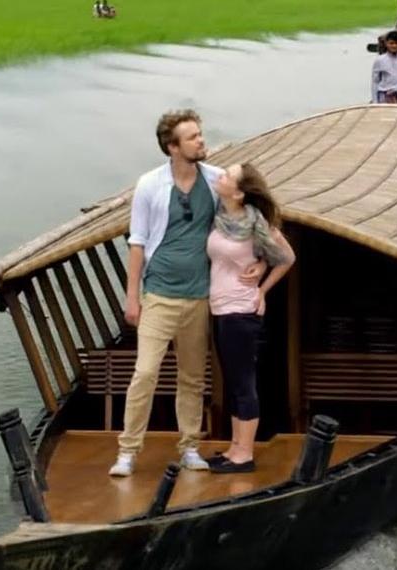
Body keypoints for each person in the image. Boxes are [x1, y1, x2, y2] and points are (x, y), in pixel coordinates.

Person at [110, 110, 263, 477]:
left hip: (199, 297)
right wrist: (132, 298)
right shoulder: (149, 184)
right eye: (192, 137)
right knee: (145, 373)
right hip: (159, 294)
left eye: (199, 134)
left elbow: (250, 213)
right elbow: (137, 242)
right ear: (172, 147)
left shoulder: (214, 180)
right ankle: (128, 451)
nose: (201, 140)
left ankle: (190, 446)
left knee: (192, 376)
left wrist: (259, 261)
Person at [203, 163, 295, 474]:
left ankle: (245, 454)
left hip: (240, 311)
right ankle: (234, 448)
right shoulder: (220, 215)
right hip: (220, 309)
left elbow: (287, 258)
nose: (220, 177)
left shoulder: (257, 223)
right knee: (232, 380)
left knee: (243, 383)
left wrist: (263, 289)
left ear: (240, 193)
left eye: (227, 176)